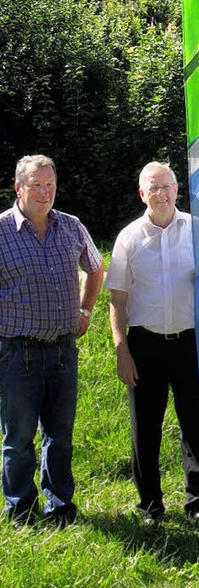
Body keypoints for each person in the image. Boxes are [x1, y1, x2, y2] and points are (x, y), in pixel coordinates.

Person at [105, 161, 199, 523]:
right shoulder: (128, 238)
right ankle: (150, 506)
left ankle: (198, 505)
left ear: (177, 190)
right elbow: (117, 301)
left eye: (166, 186)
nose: (161, 194)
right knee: (145, 430)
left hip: (191, 343)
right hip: (145, 346)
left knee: (195, 427)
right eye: (153, 188)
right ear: (142, 194)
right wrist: (122, 351)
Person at [0, 154, 103, 526]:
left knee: (60, 437)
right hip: (16, 353)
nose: (44, 193)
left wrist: (86, 310)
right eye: (35, 185)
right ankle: (20, 510)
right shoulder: (0, 231)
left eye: (50, 185)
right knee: (19, 439)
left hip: (62, 351)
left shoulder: (71, 226)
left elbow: (95, 267)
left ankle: (60, 506)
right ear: (19, 187)